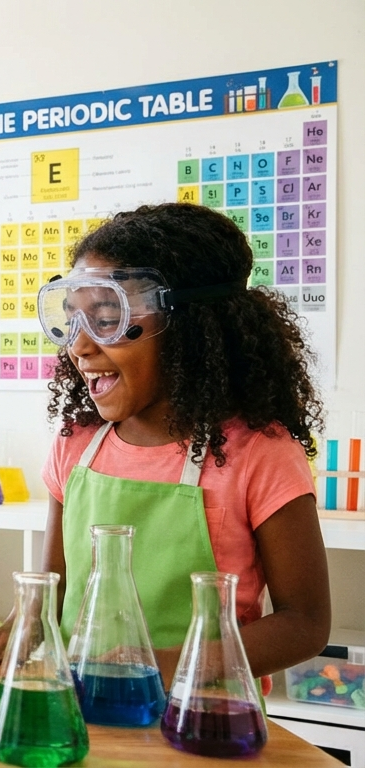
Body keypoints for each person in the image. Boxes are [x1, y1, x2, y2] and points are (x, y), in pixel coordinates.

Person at [40, 202, 331, 681]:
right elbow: (51, 593)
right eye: (72, 319)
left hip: (206, 721)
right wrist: (8, 634)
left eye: (108, 317)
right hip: (82, 711)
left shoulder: (260, 454)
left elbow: (304, 623)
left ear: (190, 325)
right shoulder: (76, 443)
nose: (79, 346)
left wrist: (162, 667)